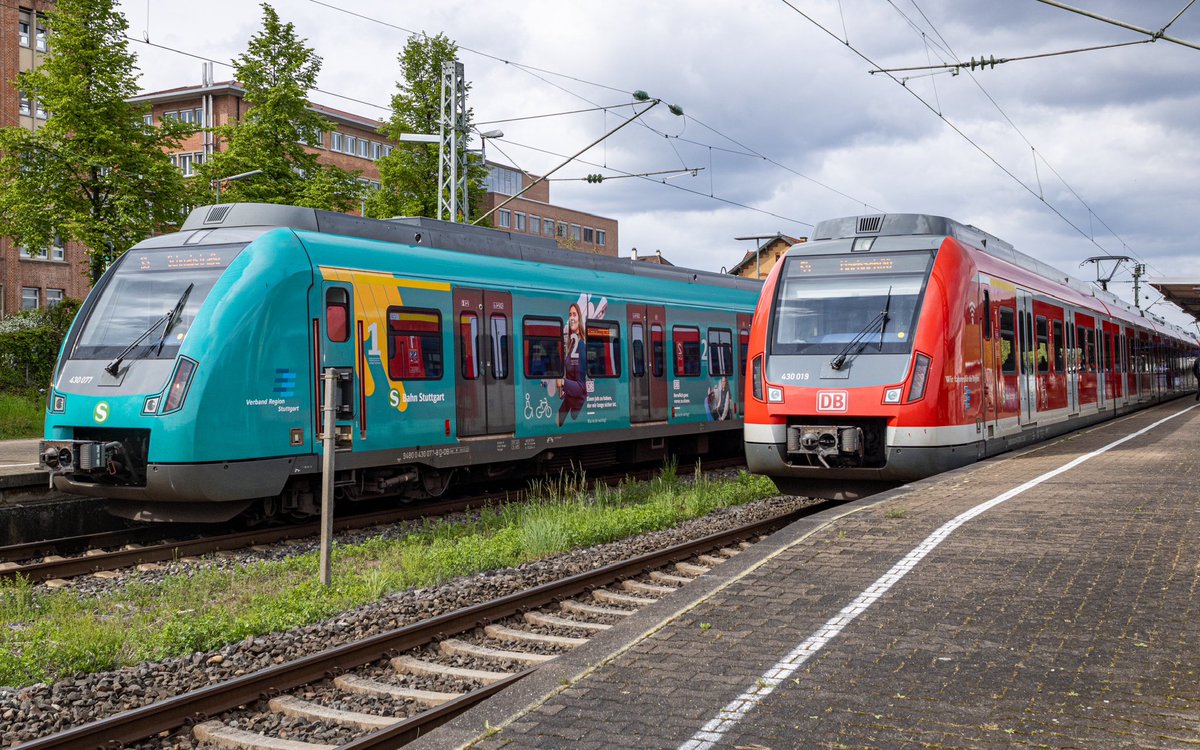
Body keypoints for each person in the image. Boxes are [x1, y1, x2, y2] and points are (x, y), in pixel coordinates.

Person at [556, 303, 587, 425]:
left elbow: (581, 387)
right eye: (570, 315)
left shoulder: (581, 346)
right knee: (557, 421)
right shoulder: (572, 344)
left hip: (577, 404)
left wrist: (563, 382)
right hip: (569, 397)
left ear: (579, 318)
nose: (572, 318)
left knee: (558, 422)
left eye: (574, 314)